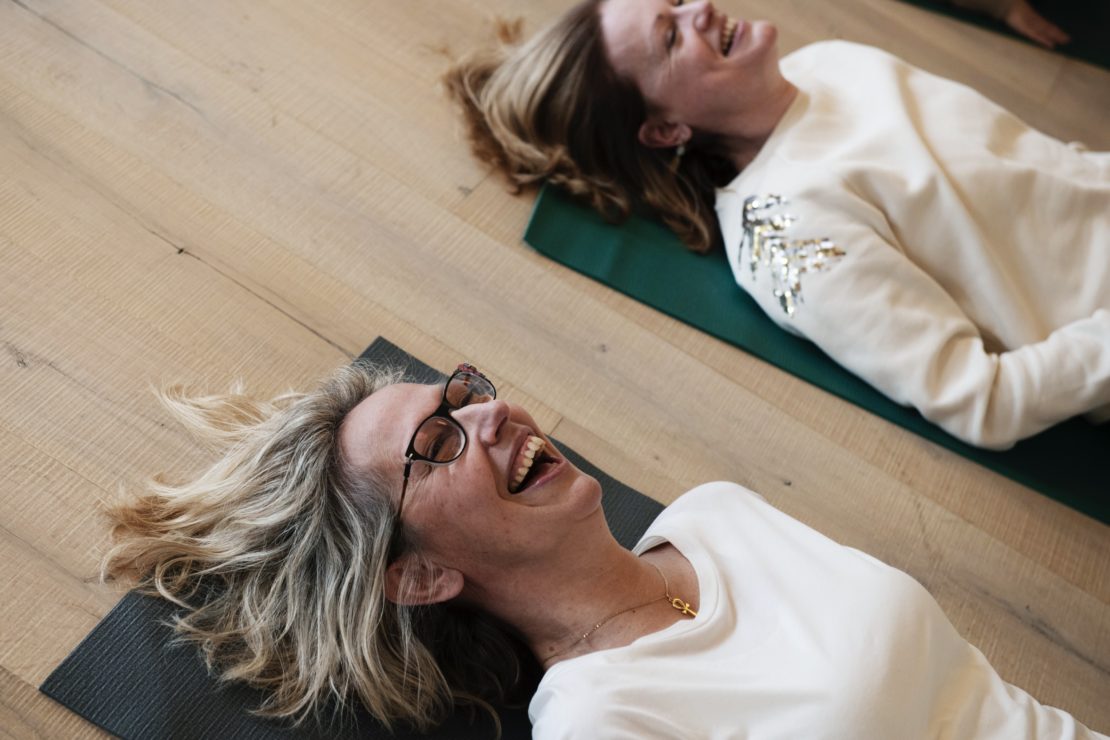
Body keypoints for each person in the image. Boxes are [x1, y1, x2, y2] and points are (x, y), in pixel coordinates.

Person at [103, 361, 1108, 738]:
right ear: (420, 574)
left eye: (464, 394)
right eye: (439, 441)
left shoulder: (721, 513)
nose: (492, 414)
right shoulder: (602, 720)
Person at [444, 0, 1110, 450]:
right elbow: (980, 399)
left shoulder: (826, 62)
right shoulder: (781, 229)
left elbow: (1030, 173)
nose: (701, 9)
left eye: (677, 1)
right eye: (671, 36)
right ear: (666, 129)